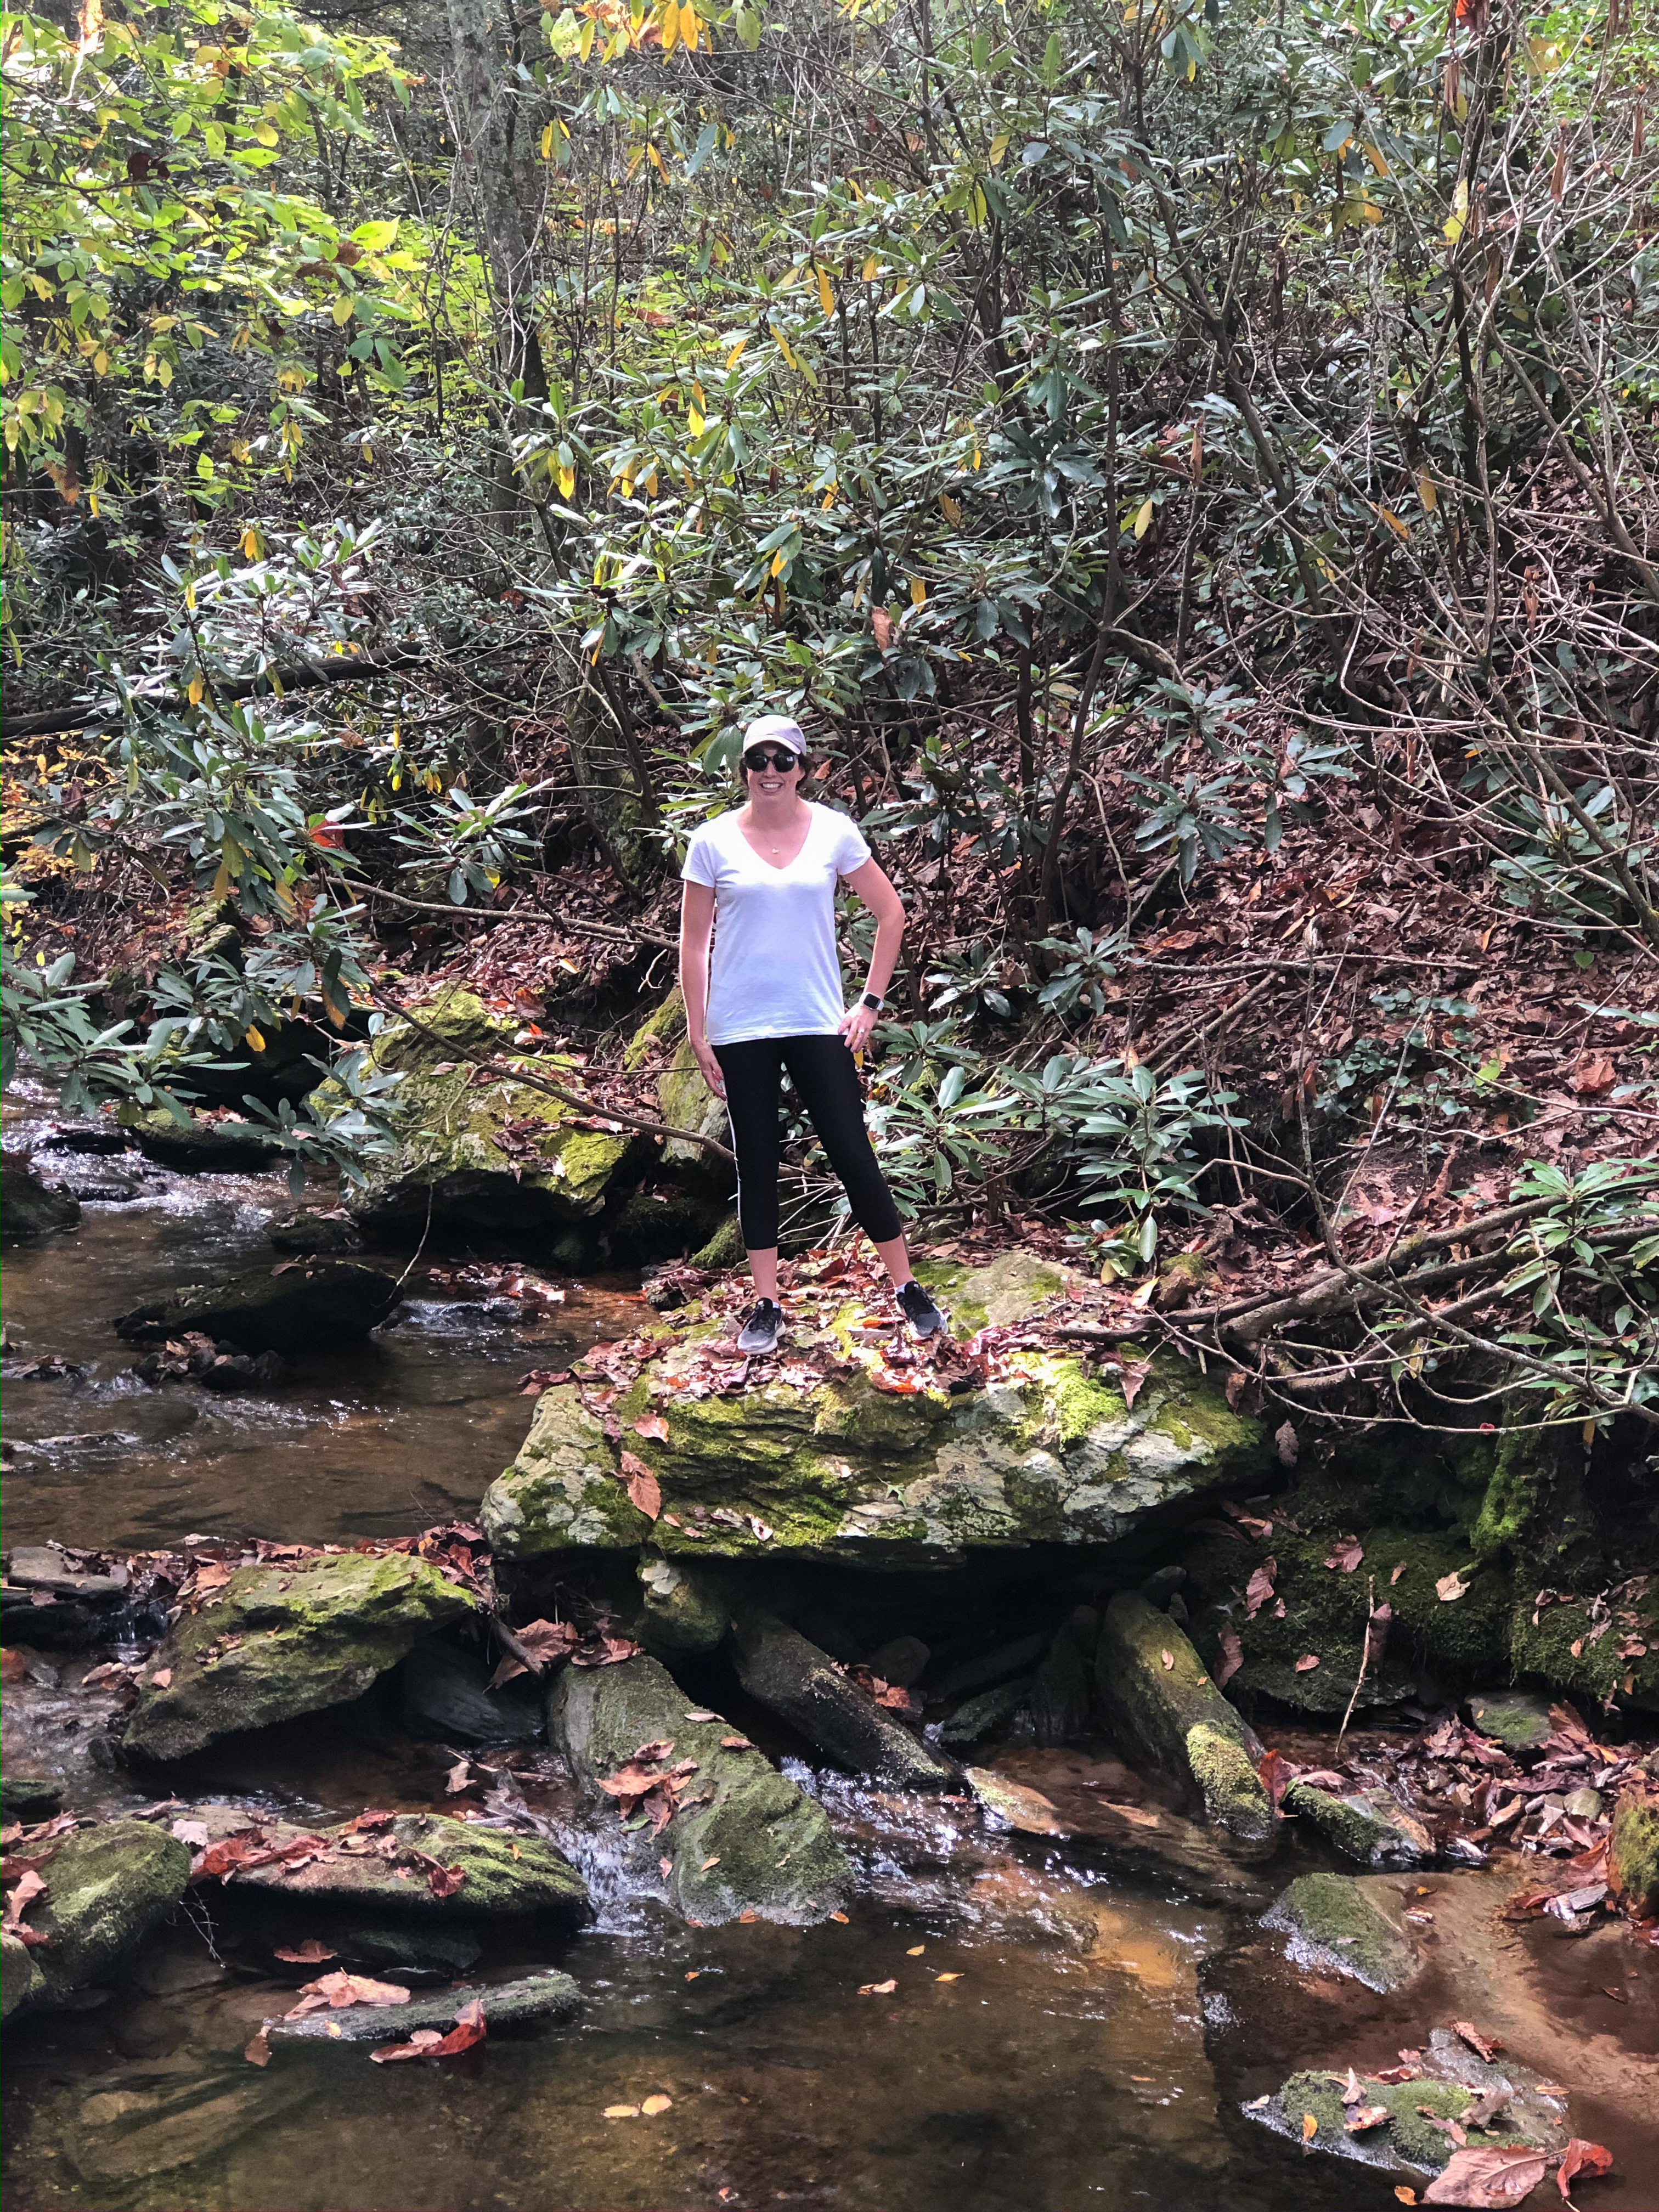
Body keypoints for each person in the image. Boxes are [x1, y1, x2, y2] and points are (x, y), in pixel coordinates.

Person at [679, 714, 946, 1356]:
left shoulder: (834, 831)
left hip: (818, 1020)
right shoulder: (711, 842)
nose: (769, 771)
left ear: (802, 768)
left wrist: (870, 1004)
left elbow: (891, 914)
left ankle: (907, 1287)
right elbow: (693, 944)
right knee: (757, 1161)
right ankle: (768, 1303)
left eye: (782, 760)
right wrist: (698, 1029)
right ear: (743, 769)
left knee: (852, 1152)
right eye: (757, 760)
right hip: (741, 1027)